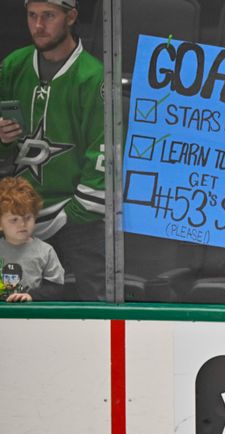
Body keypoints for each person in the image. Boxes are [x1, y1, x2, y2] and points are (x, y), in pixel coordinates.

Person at [0, 0, 105, 301]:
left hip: (74, 217)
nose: (38, 25)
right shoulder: (12, 66)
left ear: (71, 16)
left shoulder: (94, 77)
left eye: (49, 16)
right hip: (16, 215)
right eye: (32, 16)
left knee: (94, 301)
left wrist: (70, 216)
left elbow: (103, 155)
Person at [0, 176, 64, 302]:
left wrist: (32, 296)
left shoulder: (45, 251)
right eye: (14, 220)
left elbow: (57, 289)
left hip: (32, 316)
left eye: (28, 217)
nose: (22, 224)